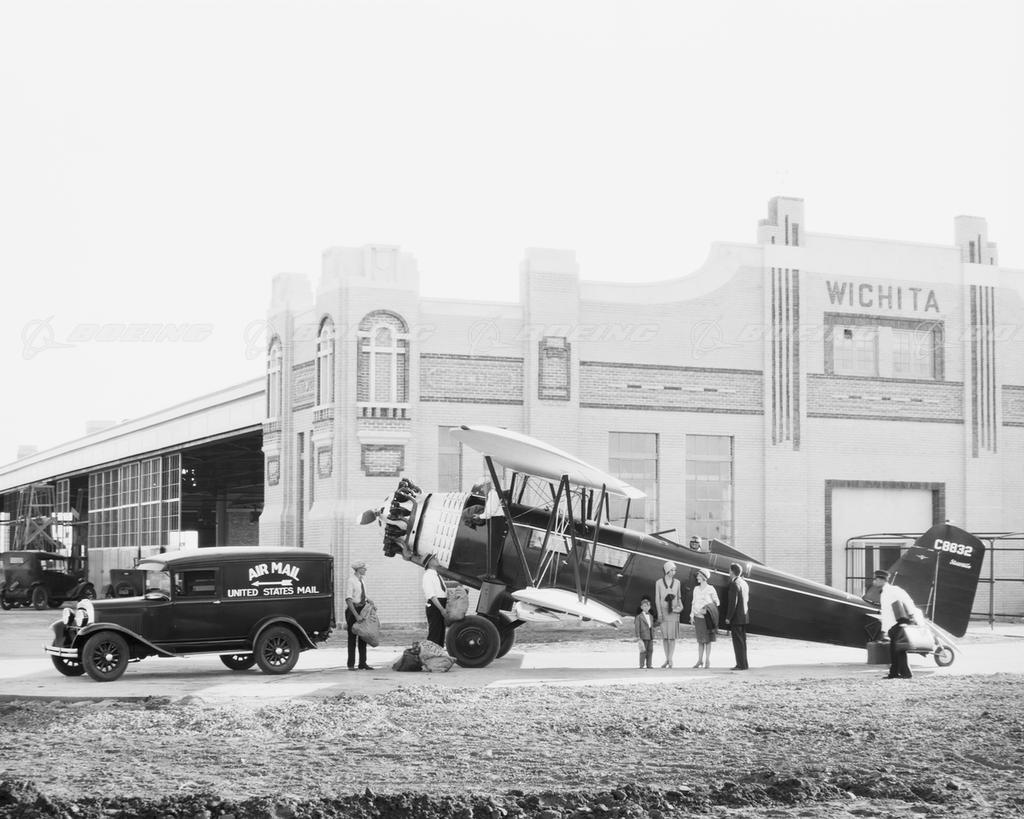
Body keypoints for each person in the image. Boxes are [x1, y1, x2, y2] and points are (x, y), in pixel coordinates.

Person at [874, 569, 920, 679]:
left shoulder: (893, 590)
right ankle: (894, 673)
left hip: (899, 623)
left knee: (899, 649)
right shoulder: (884, 593)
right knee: (894, 650)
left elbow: (907, 601)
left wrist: (912, 616)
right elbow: (886, 613)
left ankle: (905, 673)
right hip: (892, 626)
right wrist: (884, 630)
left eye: (876, 579)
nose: (874, 582)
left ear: (881, 580)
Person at [345, 561, 373, 670]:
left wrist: (369, 600)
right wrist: (356, 615)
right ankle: (351, 664)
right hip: (353, 610)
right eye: (364, 568)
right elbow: (349, 599)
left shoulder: (362, 580)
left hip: (362, 609)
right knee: (352, 638)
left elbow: (362, 595)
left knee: (363, 637)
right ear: (358, 569)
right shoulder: (351, 581)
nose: (366, 570)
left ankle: (362, 663)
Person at [689, 568, 720, 668]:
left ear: (703, 577)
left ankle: (707, 660)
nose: (697, 577)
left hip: (707, 619)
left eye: (698, 576)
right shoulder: (696, 589)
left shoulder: (711, 588)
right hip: (698, 618)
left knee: (708, 640)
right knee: (700, 641)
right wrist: (691, 616)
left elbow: (717, 602)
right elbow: (693, 602)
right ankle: (699, 660)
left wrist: (707, 608)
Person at [654, 561, 682, 668]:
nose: (674, 572)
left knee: (672, 637)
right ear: (667, 570)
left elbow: (679, 597)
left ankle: (670, 659)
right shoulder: (659, 582)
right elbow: (657, 599)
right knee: (665, 637)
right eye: (672, 570)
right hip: (663, 612)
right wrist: (659, 613)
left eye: (675, 570)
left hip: (673, 612)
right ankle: (667, 659)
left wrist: (679, 607)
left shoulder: (677, 582)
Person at [724, 562, 750, 670]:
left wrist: (728, 617)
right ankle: (744, 664)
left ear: (732, 572)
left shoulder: (734, 584)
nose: (729, 572)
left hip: (736, 618)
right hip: (744, 617)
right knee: (742, 642)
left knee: (738, 642)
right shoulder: (744, 583)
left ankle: (740, 665)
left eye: (729, 570)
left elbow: (733, 603)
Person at [422, 564, 449, 646]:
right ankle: (431, 652)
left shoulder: (437, 575)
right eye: (435, 559)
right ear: (430, 562)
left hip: (441, 603)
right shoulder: (428, 575)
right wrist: (441, 609)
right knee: (434, 633)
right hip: (435, 605)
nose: (437, 560)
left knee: (441, 633)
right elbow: (431, 595)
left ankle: (439, 652)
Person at [634, 596, 655, 669]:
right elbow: (637, 627)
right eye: (645, 606)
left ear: (650, 607)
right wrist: (638, 637)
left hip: (650, 636)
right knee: (643, 650)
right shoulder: (639, 617)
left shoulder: (651, 616)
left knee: (650, 650)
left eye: (648, 606)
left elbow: (651, 626)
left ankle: (649, 665)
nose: (646, 607)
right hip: (643, 636)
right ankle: (641, 665)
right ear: (641, 607)